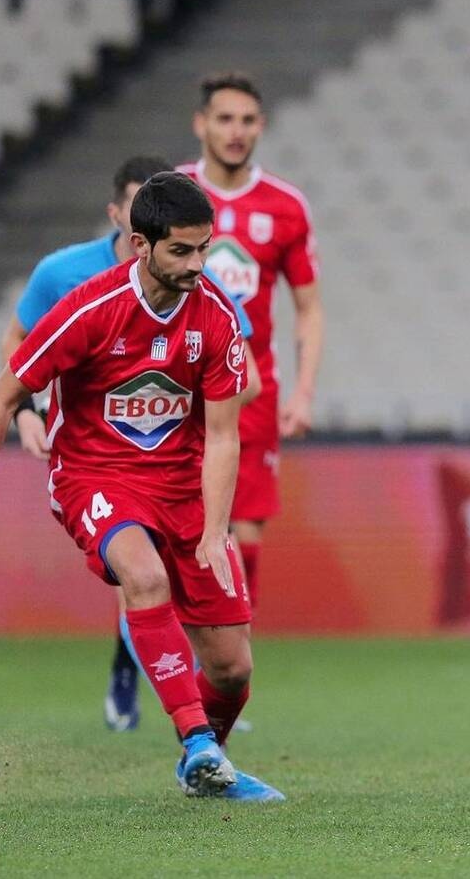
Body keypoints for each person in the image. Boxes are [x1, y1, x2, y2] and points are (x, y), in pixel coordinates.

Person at [0, 171, 282, 801]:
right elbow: (10, 390)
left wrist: (211, 529)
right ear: (140, 244)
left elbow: (225, 435)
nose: (198, 264)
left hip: (182, 487)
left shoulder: (216, 316)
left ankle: (206, 767)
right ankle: (197, 741)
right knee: (143, 578)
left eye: (204, 248)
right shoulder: (90, 308)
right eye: (182, 250)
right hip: (94, 476)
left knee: (233, 669)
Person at [179, 72, 322, 609]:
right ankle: (159, 655)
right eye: (224, 119)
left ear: (261, 126)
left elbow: (309, 308)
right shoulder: (172, 195)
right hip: (178, 389)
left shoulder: (284, 206)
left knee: (248, 533)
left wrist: (303, 392)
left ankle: (228, 656)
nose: (235, 132)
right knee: (167, 525)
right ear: (201, 124)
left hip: (250, 386)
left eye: (246, 121)